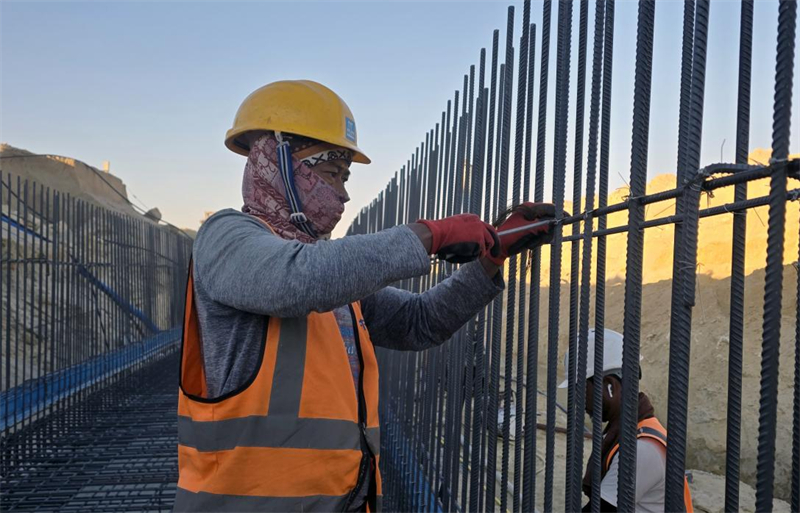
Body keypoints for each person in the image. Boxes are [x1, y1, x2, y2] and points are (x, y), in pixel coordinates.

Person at [174, 80, 557, 512]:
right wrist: (428, 235)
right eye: (331, 173)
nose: (343, 193)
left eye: (346, 177)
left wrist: (491, 259)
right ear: (278, 163)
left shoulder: (334, 275)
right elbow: (294, 281)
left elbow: (419, 322)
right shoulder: (226, 237)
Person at [559, 328, 693, 513]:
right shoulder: (633, 432)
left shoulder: (640, 449)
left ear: (610, 386)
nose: (578, 401)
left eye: (581, 390)